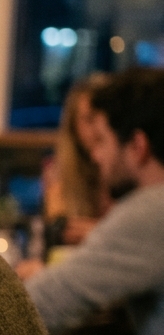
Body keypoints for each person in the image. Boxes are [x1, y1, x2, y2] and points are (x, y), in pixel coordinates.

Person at [21, 67, 164, 335]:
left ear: (137, 146)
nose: (95, 159)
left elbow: (38, 306)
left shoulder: (151, 210)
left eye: (101, 142)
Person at [42, 74, 112, 247]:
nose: (97, 129)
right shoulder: (58, 171)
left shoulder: (125, 170)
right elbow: (58, 232)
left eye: (102, 118)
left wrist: (95, 232)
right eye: (88, 119)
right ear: (73, 126)